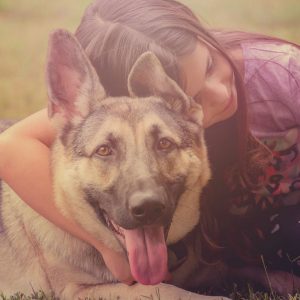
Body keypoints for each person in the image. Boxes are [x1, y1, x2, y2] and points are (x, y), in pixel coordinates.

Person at [0, 0, 299, 286]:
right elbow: (11, 145)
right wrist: (104, 247)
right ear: (131, 95)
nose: (220, 94)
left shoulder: (281, 72)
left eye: (209, 66)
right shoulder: (108, 113)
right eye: (192, 98)